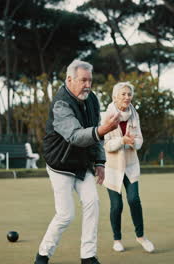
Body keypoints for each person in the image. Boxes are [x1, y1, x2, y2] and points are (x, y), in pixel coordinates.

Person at [34, 59, 120, 264]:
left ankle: (88, 256)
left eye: (90, 80)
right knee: (66, 215)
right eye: (83, 80)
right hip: (60, 165)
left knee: (93, 203)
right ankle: (43, 255)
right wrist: (102, 131)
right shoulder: (61, 103)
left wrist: (100, 162)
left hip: (82, 164)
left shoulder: (92, 99)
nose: (88, 85)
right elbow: (75, 136)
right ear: (70, 79)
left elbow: (94, 132)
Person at [102, 82, 155, 253]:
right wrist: (122, 141)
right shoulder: (107, 116)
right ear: (115, 97)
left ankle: (141, 237)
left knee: (134, 200)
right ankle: (117, 239)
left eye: (129, 94)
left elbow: (139, 139)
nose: (127, 97)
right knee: (116, 206)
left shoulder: (134, 114)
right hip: (112, 168)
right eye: (123, 94)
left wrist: (134, 142)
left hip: (131, 165)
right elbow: (107, 145)